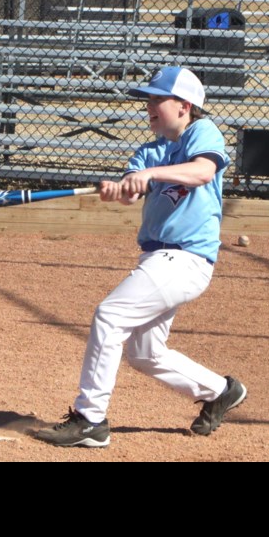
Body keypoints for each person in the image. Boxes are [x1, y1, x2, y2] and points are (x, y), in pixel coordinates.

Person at [33, 66, 246, 448]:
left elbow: (201, 172)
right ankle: (219, 390)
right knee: (145, 353)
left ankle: (90, 419)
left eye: (156, 99)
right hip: (158, 259)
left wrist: (150, 176)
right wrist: (122, 188)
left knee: (110, 315)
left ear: (184, 106)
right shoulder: (150, 150)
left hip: (187, 259)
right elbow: (132, 192)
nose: (148, 106)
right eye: (148, 99)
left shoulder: (202, 132)